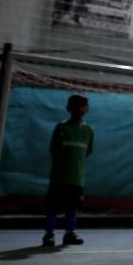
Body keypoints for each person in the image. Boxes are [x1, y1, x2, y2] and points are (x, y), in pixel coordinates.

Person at [43, 94, 94, 247]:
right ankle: (49, 235)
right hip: (59, 177)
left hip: (76, 178)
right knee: (53, 206)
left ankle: (69, 234)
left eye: (85, 105)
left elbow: (88, 151)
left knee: (72, 206)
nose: (84, 108)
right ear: (71, 108)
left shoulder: (88, 130)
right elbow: (54, 150)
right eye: (80, 105)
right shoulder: (61, 127)